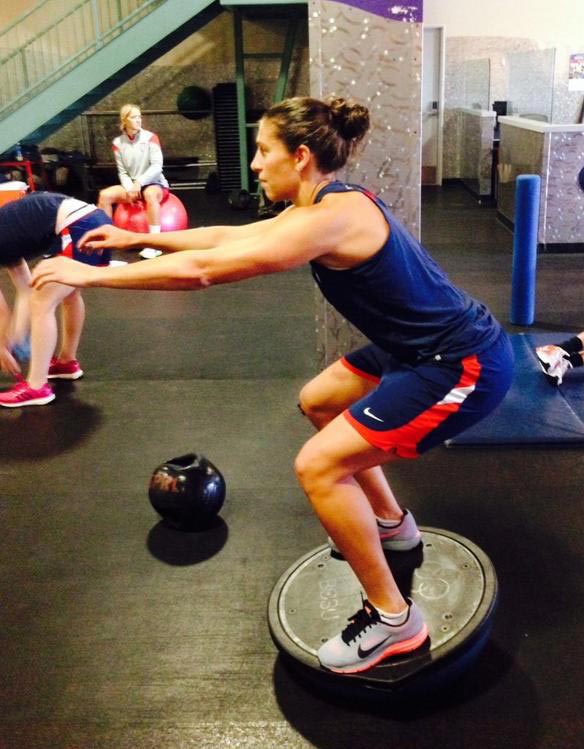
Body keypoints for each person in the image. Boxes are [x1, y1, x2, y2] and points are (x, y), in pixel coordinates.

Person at [31, 96, 514, 674]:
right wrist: (129, 239)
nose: (255, 165)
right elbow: (222, 240)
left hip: (461, 362)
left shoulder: (333, 216)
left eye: (264, 151)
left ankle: (394, 621)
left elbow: (205, 273)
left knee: (318, 467)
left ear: (301, 156)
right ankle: (392, 526)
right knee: (319, 402)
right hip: (412, 349)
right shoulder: (316, 205)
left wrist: (94, 275)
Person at [0, 191, 112, 407]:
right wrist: (12, 338)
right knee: (67, 293)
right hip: (92, 219)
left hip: (78, 225)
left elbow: (3, 311)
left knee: (43, 302)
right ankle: (66, 362)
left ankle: (36, 387)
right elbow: (26, 289)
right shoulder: (7, 236)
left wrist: (3, 346)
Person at [97, 103, 169, 258]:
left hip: (154, 183)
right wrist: (130, 188)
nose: (139, 120)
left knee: (149, 195)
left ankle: (154, 244)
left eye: (139, 117)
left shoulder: (150, 137)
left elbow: (157, 166)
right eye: (134, 117)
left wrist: (139, 183)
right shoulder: (118, 143)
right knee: (105, 195)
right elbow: (122, 172)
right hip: (133, 185)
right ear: (125, 120)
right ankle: (106, 240)